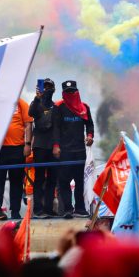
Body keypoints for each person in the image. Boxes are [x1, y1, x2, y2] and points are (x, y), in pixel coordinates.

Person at [53, 80, 94, 219]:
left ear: (77, 92)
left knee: (80, 181)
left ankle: (80, 208)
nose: (71, 94)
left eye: (73, 92)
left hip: (80, 151)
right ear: (64, 93)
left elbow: (89, 125)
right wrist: (56, 146)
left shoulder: (84, 107)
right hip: (64, 152)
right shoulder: (58, 107)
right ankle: (67, 210)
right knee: (64, 181)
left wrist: (89, 136)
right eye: (68, 92)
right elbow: (56, 128)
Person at [0, 98, 33, 220]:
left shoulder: (21, 103)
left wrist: (28, 144)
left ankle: (15, 211)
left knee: (16, 182)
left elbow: (28, 124)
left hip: (18, 149)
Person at [29, 78, 59, 218]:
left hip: (52, 147)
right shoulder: (36, 104)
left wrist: (56, 145)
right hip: (40, 146)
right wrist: (37, 98)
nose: (47, 89)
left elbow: (57, 128)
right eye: (44, 87)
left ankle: (48, 209)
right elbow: (31, 113)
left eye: (49, 87)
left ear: (53, 89)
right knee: (39, 178)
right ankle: (38, 210)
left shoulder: (55, 106)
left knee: (52, 179)